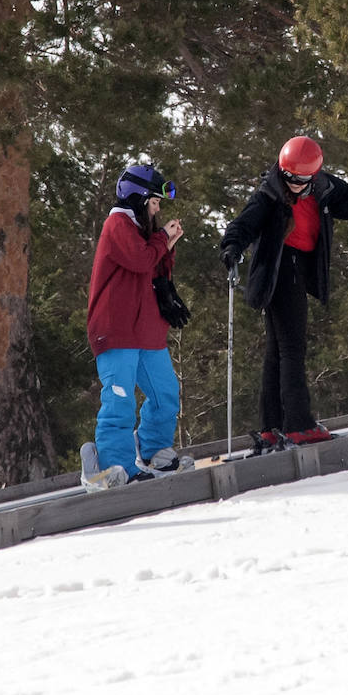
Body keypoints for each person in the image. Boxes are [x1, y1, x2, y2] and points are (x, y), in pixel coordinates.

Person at [219, 136, 348, 448]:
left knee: (278, 350)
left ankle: (272, 426)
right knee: (291, 348)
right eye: (288, 178)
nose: (291, 185)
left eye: (299, 181)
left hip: (296, 269)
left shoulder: (325, 188)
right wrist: (231, 249)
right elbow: (242, 225)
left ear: (312, 177)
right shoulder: (269, 193)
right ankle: (299, 425)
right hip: (280, 271)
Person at [80, 164, 195, 490]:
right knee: (120, 401)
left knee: (165, 394)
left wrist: (167, 244)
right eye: (155, 202)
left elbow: (152, 267)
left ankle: (153, 451)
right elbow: (140, 260)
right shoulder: (117, 224)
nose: (157, 209)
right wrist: (161, 238)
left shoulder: (141, 229)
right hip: (116, 330)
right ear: (139, 198)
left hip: (145, 329)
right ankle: (111, 467)